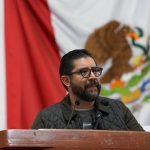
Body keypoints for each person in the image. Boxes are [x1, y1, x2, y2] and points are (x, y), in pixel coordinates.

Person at [32, 49, 144, 131]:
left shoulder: (118, 109)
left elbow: (144, 144)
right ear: (66, 80)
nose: (93, 76)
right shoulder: (46, 118)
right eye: (84, 72)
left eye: (95, 70)